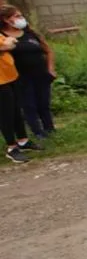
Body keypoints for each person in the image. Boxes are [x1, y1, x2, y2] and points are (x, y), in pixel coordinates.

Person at [1, 6, 56, 140]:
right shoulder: (3, 38)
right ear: (6, 20)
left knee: (44, 103)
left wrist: (50, 69)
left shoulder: (30, 33)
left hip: (41, 74)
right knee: (29, 105)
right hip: (21, 77)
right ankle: (37, 132)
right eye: (17, 16)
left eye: (21, 15)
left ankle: (49, 129)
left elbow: (48, 50)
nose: (21, 19)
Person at [0, 27, 40, 164]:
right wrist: (6, 44)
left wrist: (7, 44)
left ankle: (23, 140)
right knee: (6, 114)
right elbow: (8, 44)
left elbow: (9, 42)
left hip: (10, 75)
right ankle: (11, 148)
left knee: (17, 110)